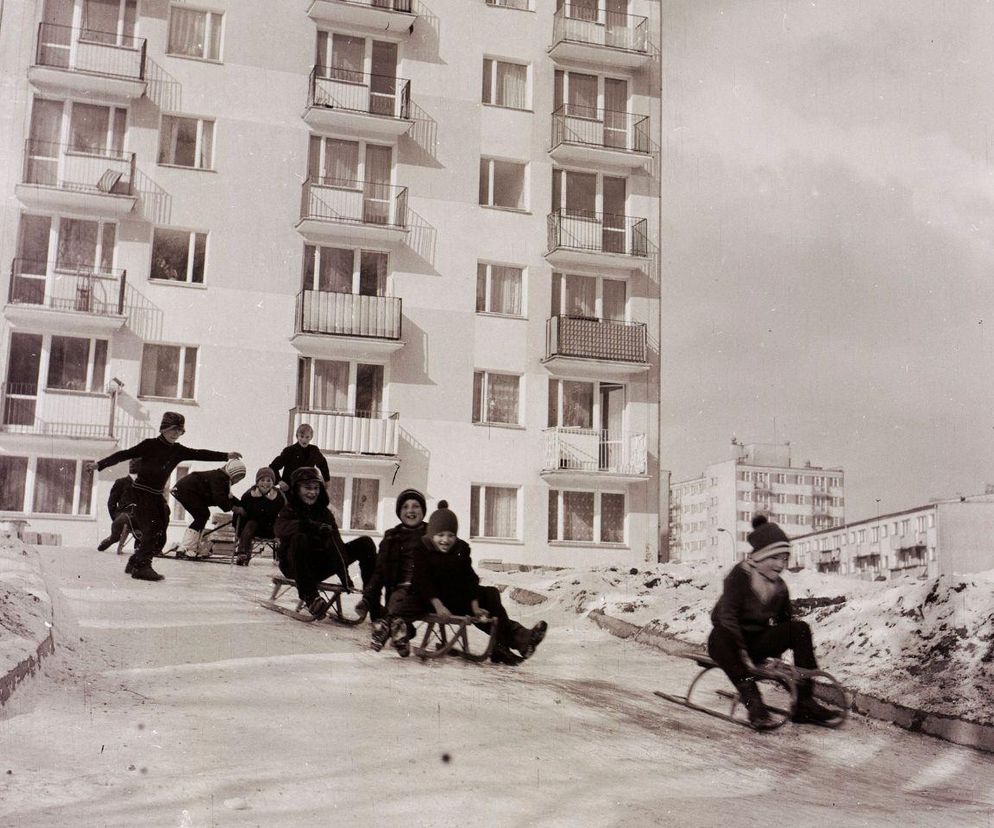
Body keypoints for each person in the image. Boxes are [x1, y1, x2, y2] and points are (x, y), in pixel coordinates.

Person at [708, 515, 837, 730]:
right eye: (775, 558)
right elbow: (727, 617)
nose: (781, 565)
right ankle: (754, 703)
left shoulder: (779, 587)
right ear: (761, 556)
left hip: (756, 641)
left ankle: (804, 701)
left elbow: (783, 622)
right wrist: (743, 654)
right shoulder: (740, 576)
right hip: (729, 641)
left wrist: (778, 658)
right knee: (721, 636)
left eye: (785, 559)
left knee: (799, 629)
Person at [90, 412, 241, 582]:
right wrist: (99, 464)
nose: (176, 434)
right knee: (152, 529)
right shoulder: (150, 445)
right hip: (140, 492)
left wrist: (225, 456)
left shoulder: (177, 450)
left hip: (156, 495)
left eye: (179, 431)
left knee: (160, 530)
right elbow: (123, 454)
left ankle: (134, 561)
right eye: (173, 430)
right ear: (164, 429)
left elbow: (200, 453)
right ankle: (142, 567)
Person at [393, 500, 547, 663]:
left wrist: (475, 606)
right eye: (440, 535)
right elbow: (422, 580)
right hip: (429, 598)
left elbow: (469, 578)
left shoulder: (460, 549)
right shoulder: (422, 549)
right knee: (404, 608)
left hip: (454, 598)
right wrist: (438, 606)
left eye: (451, 535)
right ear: (432, 535)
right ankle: (516, 641)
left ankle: (503, 645)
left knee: (491, 594)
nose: (446, 540)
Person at [273, 466, 375, 619]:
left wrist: (344, 575)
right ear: (297, 489)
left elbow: (337, 543)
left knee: (365, 543)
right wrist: (308, 526)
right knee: (300, 537)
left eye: (316, 488)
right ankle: (311, 597)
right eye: (307, 488)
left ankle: (370, 599)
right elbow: (280, 529)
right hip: (295, 565)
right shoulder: (289, 510)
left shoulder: (324, 513)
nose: (312, 492)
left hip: (320, 565)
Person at [363, 488, 427, 653]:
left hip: (425, 589)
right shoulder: (392, 537)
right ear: (399, 512)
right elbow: (380, 570)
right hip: (399, 590)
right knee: (397, 601)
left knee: (399, 607)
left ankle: (384, 630)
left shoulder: (432, 533)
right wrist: (368, 597)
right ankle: (401, 636)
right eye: (405, 507)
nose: (410, 510)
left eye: (416, 506)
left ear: (423, 511)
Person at [170, 459, 247, 558]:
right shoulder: (220, 478)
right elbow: (219, 498)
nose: (237, 481)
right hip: (187, 490)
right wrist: (234, 508)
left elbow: (227, 496)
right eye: (237, 478)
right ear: (232, 473)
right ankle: (186, 548)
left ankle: (188, 547)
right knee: (202, 515)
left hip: (183, 489)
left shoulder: (221, 477)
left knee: (202, 515)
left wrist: (241, 504)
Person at [232, 467, 285, 566]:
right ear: (257, 482)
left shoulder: (279, 496)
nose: (265, 483)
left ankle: (283, 556)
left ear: (273, 482)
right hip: (255, 528)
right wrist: (238, 531)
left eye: (269, 480)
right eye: (262, 480)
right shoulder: (249, 495)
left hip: (271, 528)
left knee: (280, 525)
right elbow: (240, 513)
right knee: (251, 523)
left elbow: (286, 512)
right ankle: (242, 553)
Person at [269, 424, 330, 493]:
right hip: (289, 491)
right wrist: (280, 481)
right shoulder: (289, 451)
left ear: (311, 437)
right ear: (297, 436)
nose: (304, 439)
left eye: (307, 437)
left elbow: (323, 464)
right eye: (302, 436)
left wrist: (327, 480)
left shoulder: (314, 451)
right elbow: (273, 467)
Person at [96, 458, 140, 552]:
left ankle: (139, 544)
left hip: (139, 517)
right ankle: (112, 538)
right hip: (123, 516)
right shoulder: (121, 482)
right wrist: (116, 518)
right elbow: (111, 503)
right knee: (123, 520)